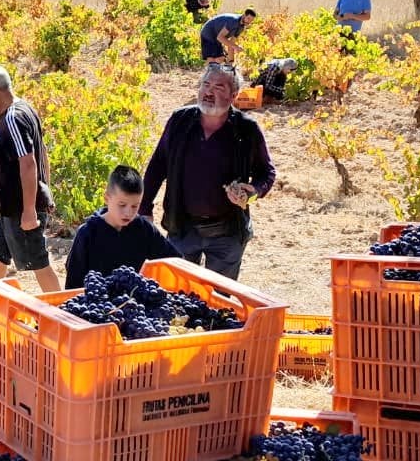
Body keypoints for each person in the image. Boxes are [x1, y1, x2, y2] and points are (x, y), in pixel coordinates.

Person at [140, 62, 277, 281]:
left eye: (219, 87)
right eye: (206, 84)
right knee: (177, 294)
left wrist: (251, 192)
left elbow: (266, 173)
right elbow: (158, 165)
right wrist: (144, 208)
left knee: (220, 299)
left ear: (233, 95)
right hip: (182, 227)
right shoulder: (180, 121)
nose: (209, 92)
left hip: (228, 232)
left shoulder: (246, 129)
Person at [0, 63, 60, 293]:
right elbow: (43, 154)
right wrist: (46, 190)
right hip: (10, 210)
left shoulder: (13, 118)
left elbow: (29, 163)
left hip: (22, 210)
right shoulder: (24, 109)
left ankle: (62, 311)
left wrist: (30, 210)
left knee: (39, 263)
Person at [64, 165, 179, 290]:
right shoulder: (88, 233)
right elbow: (73, 283)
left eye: (135, 206)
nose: (128, 212)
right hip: (98, 305)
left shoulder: (144, 229)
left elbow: (173, 261)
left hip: (134, 304)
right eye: (122, 205)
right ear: (107, 198)